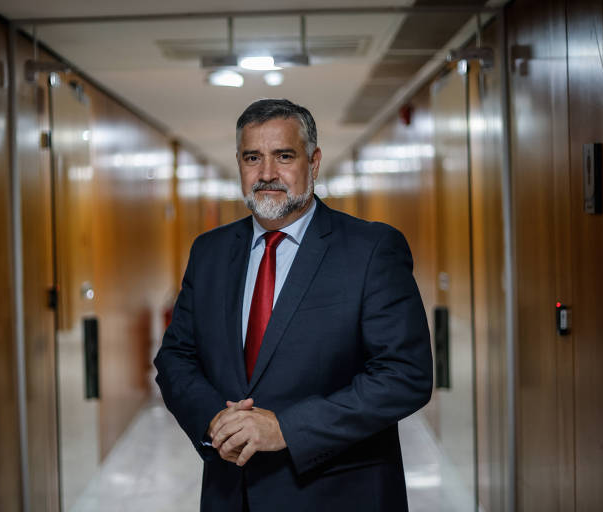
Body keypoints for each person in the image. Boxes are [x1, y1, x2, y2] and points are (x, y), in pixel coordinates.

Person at [154, 98, 433, 511]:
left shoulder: (370, 249)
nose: (267, 173)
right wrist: (215, 422)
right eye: (253, 157)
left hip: (338, 495)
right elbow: (176, 358)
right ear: (239, 163)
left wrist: (286, 428)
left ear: (313, 162)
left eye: (284, 156)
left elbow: (405, 375)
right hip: (231, 494)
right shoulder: (209, 252)